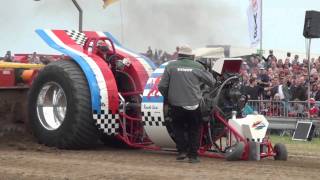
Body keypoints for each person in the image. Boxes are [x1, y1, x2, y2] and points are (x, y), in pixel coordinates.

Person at [158, 45, 216, 163]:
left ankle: (182, 151)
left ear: (179, 55)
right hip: (193, 104)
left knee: (178, 128)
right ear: (191, 55)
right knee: (194, 129)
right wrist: (208, 70)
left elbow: (162, 86)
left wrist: (169, 98)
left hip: (176, 104)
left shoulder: (171, 66)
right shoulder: (197, 66)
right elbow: (212, 82)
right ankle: (193, 156)